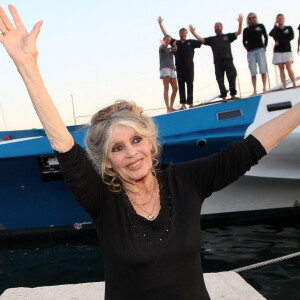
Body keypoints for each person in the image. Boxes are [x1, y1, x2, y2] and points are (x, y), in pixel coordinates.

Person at [2, 5, 300, 300]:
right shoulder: (104, 200)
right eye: (117, 148)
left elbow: (250, 149)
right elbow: (65, 148)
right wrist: (27, 67)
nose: (131, 153)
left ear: (150, 142)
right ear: (107, 161)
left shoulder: (186, 182)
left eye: (136, 140)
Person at [190, 14, 243, 101]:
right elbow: (202, 40)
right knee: (220, 79)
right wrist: (193, 33)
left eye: (218, 26)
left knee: (232, 76)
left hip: (228, 60)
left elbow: (238, 33)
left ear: (221, 27)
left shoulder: (227, 36)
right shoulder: (212, 39)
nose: (217, 28)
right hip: (218, 62)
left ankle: (233, 95)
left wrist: (240, 23)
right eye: (215, 27)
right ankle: (224, 96)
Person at [158, 16, 201, 110]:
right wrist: (160, 24)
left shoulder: (190, 42)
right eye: (181, 33)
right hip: (178, 68)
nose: (183, 35)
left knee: (189, 84)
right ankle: (182, 104)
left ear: (186, 34)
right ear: (179, 34)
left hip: (189, 67)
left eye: (184, 33)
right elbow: (166, 36)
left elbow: (201, 42)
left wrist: (194, 33)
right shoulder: (174, 42)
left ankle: (190, 103)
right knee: (180, 85)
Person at [243, 12, 268, 95]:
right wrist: (247, 48)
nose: (252, 19)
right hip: (251, 52)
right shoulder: (246, 30)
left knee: (263, 70)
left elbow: (265, 36)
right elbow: (244, 41)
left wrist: (265, 46)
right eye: (250, 18)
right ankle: (254, 90)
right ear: (248, 20)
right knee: (253, 72)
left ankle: (264, 88)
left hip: (260, 49)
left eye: (253, 17)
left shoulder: (260, 26)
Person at [269, 14, 296, 89]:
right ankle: (284, 85)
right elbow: (270, 34)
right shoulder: (276, 29)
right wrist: (275, 26)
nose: (280, 20)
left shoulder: (288, 28)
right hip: (278, 51)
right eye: (278, 19)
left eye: (281, 18)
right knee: (281, 69)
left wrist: (280, 41)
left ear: (284, 19)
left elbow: (291, 37)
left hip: (287, 50)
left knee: (288, 67)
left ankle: (294, 83)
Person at [159, 35, 178, 113]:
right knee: (166, 88)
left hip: (172, 68)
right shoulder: (161, 47)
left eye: (169, 40)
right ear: (164, 40)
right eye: (167, 39)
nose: (168, 41)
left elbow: (175, 50)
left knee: (175, 88)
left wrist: (175, 45)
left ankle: (171, 106)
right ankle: (167, 107)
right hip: (165, 68)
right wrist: (163, 44)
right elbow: (162, 47)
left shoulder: (170, 49)